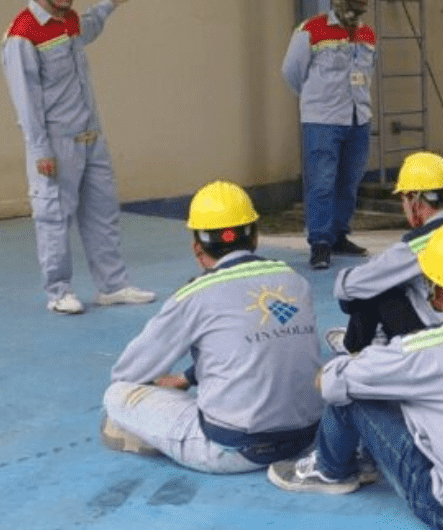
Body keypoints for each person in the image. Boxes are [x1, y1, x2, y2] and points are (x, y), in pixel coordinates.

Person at [268, 218, 443, 530]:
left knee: (352, 393)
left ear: (435, 288)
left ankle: (330, 470)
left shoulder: (427, 351)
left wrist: (354, 366)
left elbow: (334, 382)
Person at [100, 181, 323, 472]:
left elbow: (129, 372)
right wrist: (189, 377)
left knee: (116, 395)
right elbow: (265, 345)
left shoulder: (195, 294)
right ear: (254, 237)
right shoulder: (295, 280)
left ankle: (158, 438)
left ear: (197, 247)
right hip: (307, 437)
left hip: (234, 450)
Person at [1, 0, 155, 315]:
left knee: (102, 212)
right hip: (57, 143)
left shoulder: (68, 19)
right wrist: (40, 151)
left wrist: (108, 6)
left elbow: (88, 27)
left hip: (91, 137)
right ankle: (58, 291)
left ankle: (113, 285)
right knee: (54, 216)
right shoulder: (22, 35)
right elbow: (26, 100)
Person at [282, 0, 377, 270]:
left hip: (357, 118)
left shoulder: (366, 34)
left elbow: (366, 74)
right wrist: (316, 101)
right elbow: (292, 72)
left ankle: (339, 235)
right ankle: (320, 242)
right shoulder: (312, 29)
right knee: (321, 182)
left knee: (349, 181)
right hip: (322, 120)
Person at [330, 151, 443, 355]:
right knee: (402, 283)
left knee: (375, 287)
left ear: (413, 198)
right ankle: (377, 333)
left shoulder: (415, 247)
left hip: (437, 342)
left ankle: (353, 347)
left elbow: (346, 287)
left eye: (402, 198)